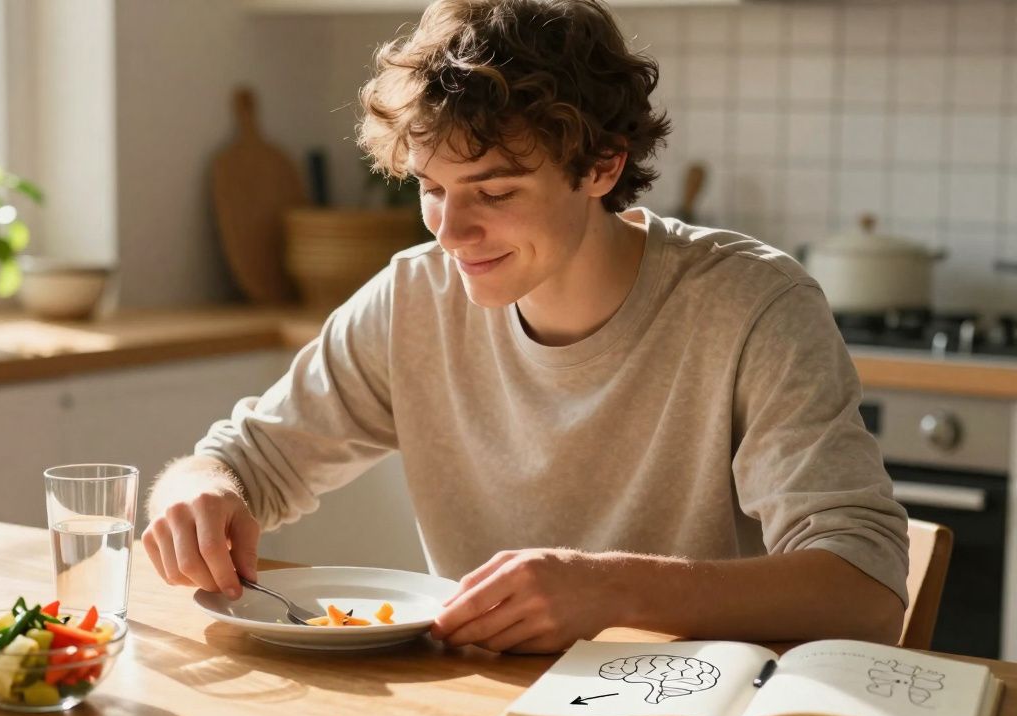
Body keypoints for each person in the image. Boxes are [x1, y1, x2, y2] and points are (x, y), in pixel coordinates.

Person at [145, 0, 908, 654]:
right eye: (431, 188)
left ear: (603, 166)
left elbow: (864, 586)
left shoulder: (754, 306)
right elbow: (241, 463)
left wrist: (614, 591)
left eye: (496, 191)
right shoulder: (414, 298)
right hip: (477, 702)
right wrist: (197, 496)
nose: (451, 231)